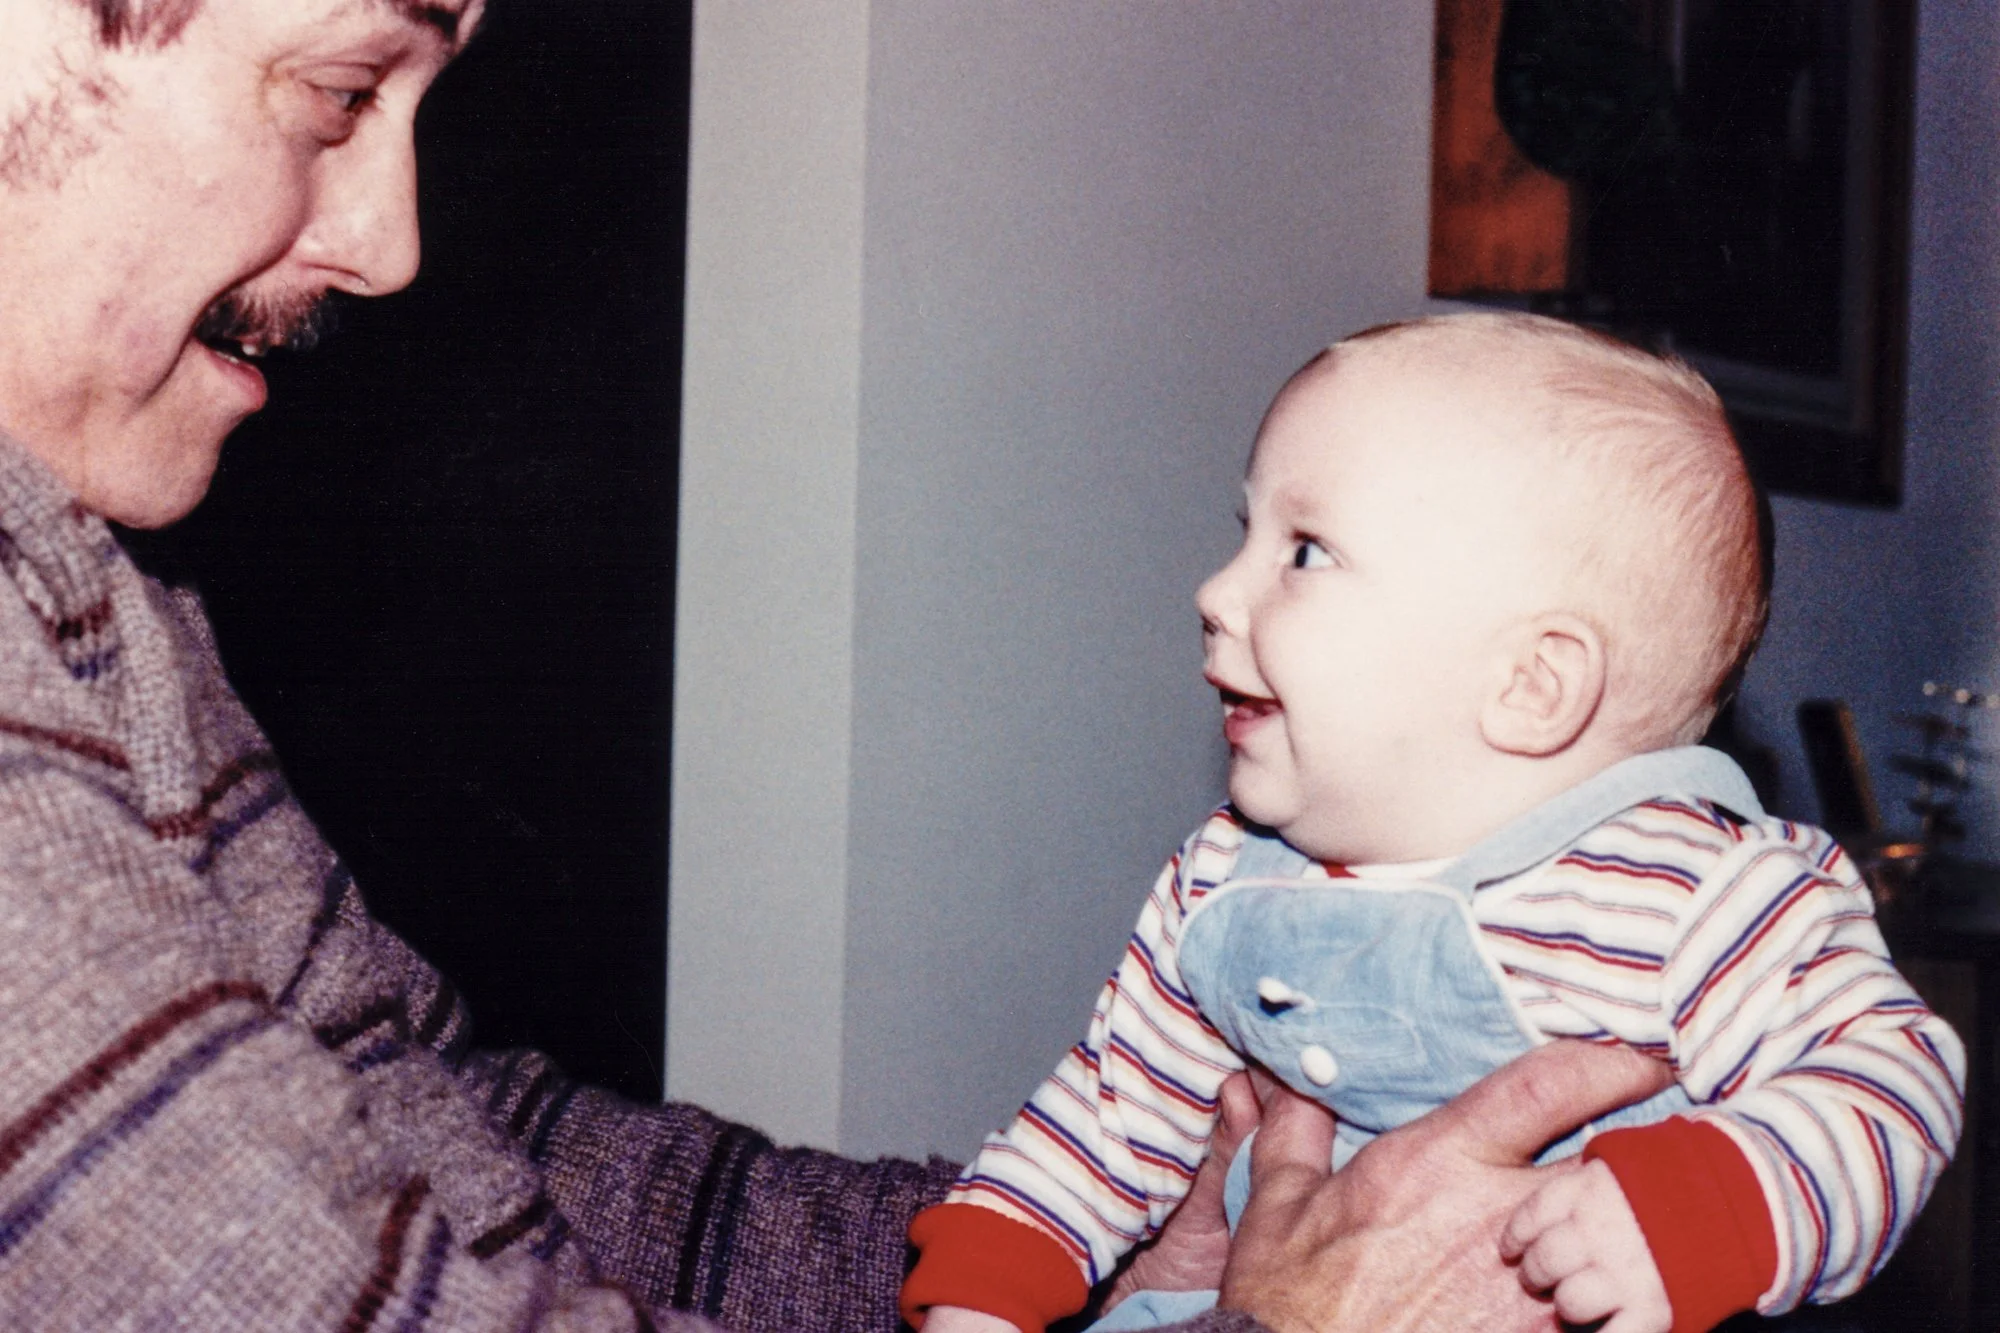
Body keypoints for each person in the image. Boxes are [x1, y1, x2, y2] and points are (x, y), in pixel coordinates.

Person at [0, 0, 1706, 1328]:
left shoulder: (96, 595)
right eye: (339, 92)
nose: (391, 237)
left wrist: (1081, 1242)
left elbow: (442, 1127)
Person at [904, 314, 1966, 1333]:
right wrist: (986, 1288)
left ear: (1529, 681)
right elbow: (1104, 1117)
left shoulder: (1696, 889)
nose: (1215, 591)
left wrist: (1697, 1214)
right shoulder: (1221, 882)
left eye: (1305, 550)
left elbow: (1888, 1077)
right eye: (1248, 536)